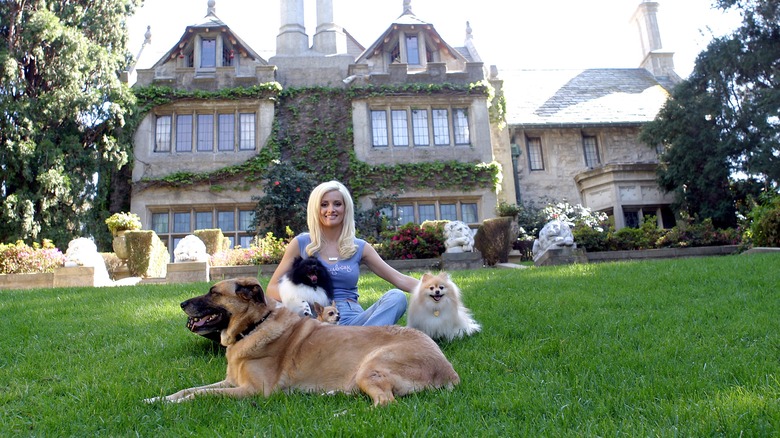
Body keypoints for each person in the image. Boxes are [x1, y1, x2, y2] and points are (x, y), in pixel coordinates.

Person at [264, 180, 419, 326]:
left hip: (354, 322)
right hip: (318, 322)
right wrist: (300, 298)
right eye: (324, 204)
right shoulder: (301, 243)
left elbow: (399, 279)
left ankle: (359, 342)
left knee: (397, 297)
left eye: (337, 204)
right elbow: (271, 289)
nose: (331, 209)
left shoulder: (359, 246)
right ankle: (364, 345)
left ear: (346, 208)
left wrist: (439, 289)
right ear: (316, 209)